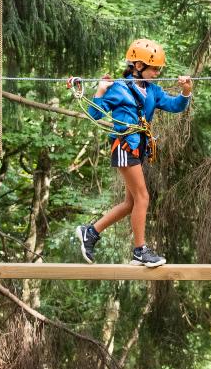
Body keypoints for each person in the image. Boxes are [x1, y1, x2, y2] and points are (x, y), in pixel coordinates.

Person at [74, 39, 192, 267]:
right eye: (154, 68)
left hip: (138, 149)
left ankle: (91, 232)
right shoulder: (118, 88)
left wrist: (185, 92)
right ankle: (140, 250)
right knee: (143, 197)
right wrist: (100, 91)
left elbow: (176, 105)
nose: (157, 73)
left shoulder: (153, 91)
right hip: (123, 147)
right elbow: (94, 115)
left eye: (159, 69)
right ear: (138, 66)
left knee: (131, 203)